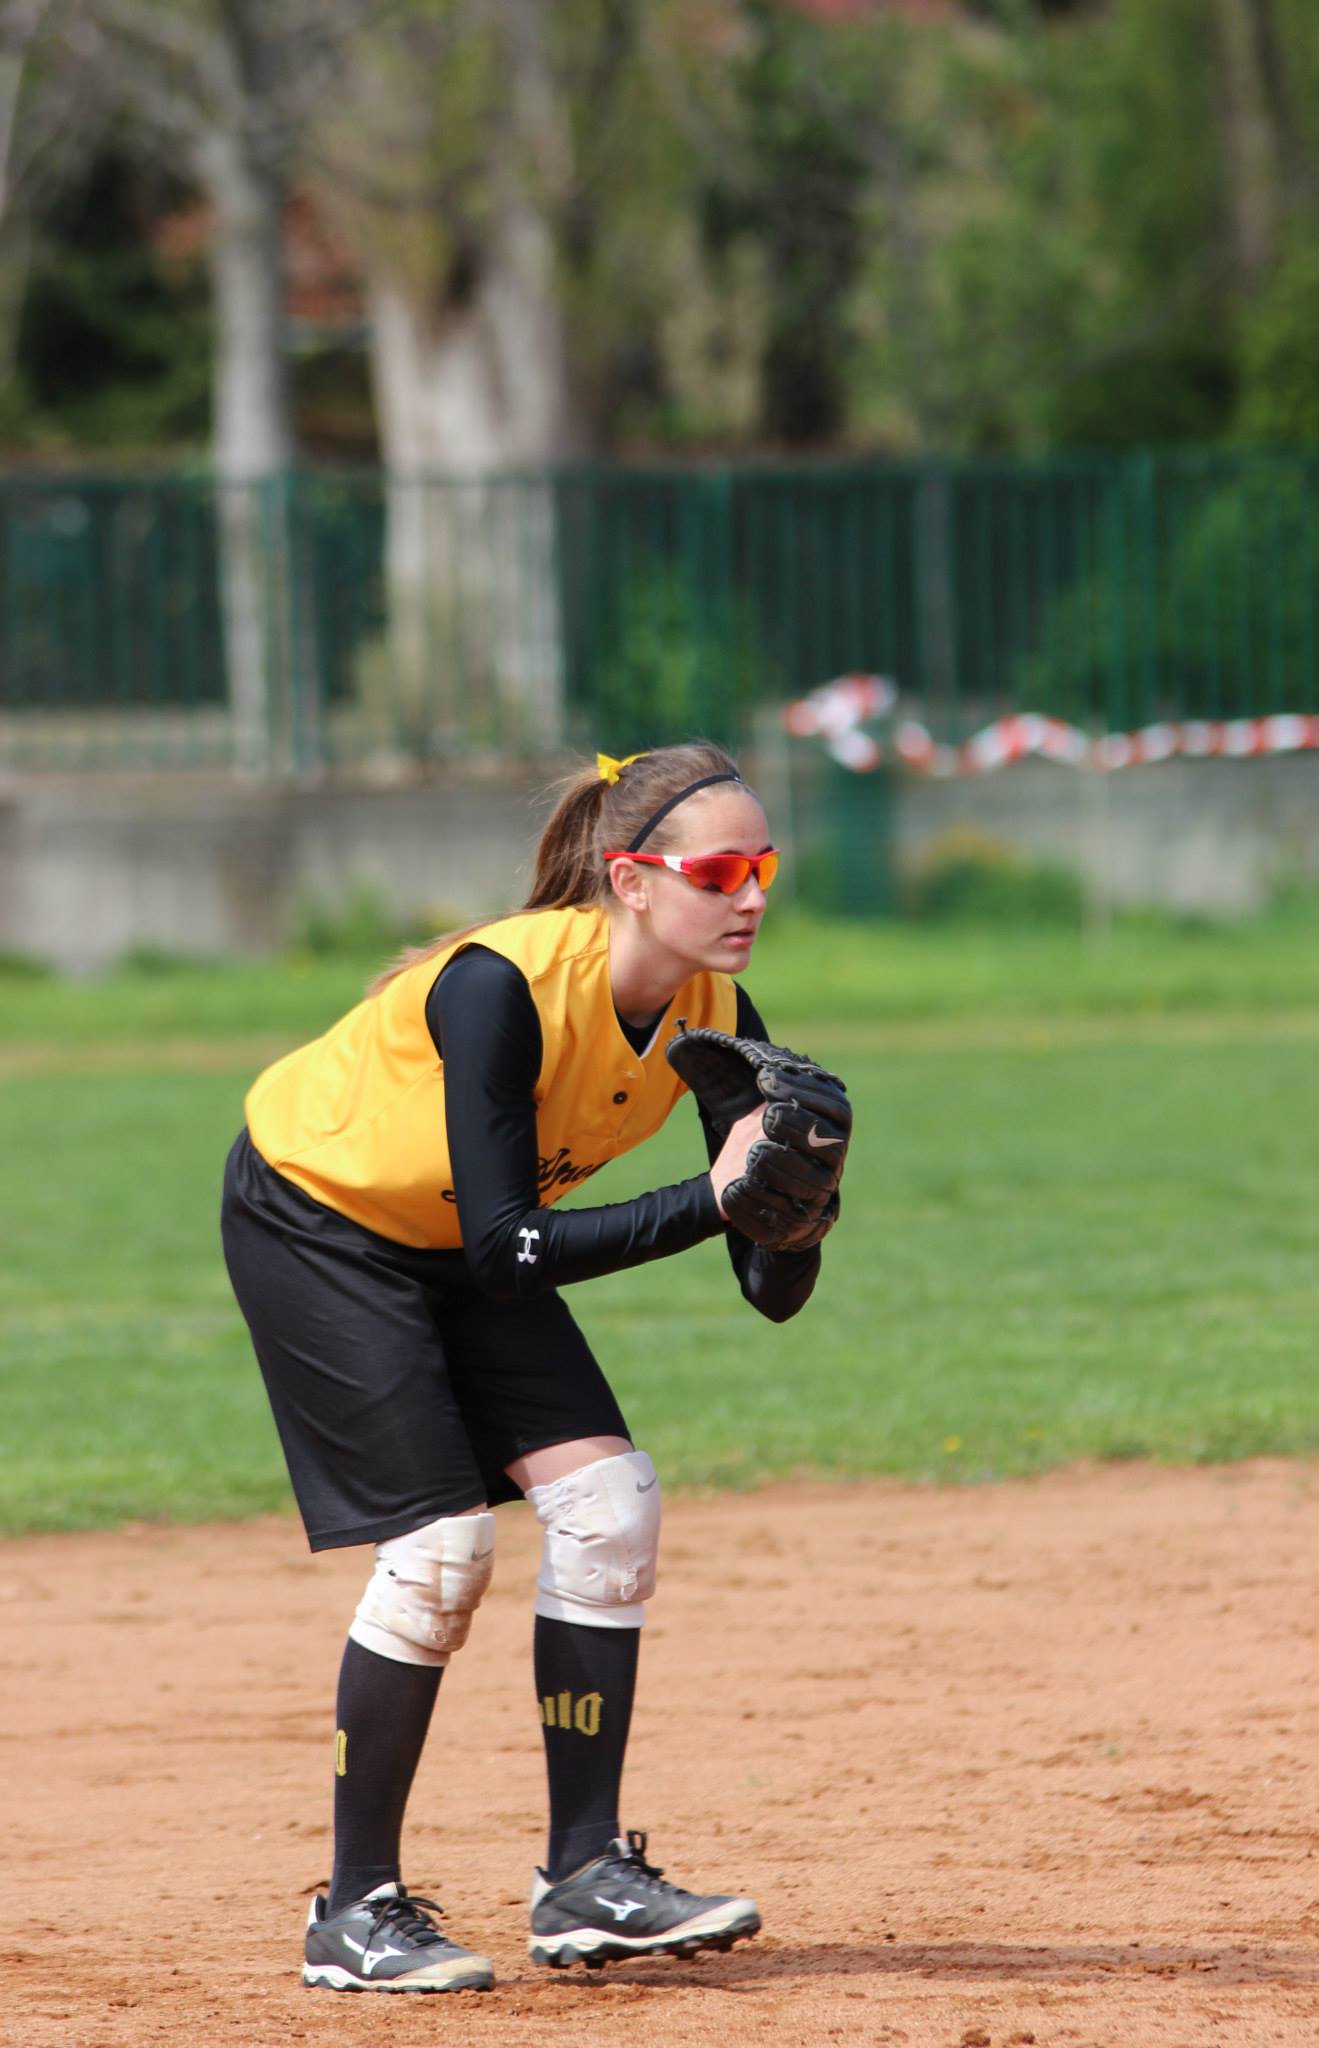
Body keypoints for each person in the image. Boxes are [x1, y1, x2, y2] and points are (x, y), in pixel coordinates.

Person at [220, 740, 838, 1994]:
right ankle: (354, 1906)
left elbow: (769, 1290)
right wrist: (714, 1197)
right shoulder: (500, 985)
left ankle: (585, 1873)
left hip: (461, 1234)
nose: (750, 896)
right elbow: (508, 1249)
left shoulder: (718, 1017)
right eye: (718, 871)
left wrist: (801, 1203)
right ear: (631, 879)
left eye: (762, 867)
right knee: (442, 1548)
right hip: (322, 1215)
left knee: (609, 1504)